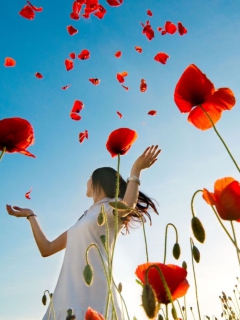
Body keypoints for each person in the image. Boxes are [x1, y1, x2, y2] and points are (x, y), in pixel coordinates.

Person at [6, 145, 161, 320]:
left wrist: (136, 170)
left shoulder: (111, 206)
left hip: (94, 295)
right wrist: (30, 215)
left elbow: (128, 206)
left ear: (98, 181)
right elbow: (46, 248)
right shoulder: (84, 219)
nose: (86, 182)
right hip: (65, 296)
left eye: (89, 178)